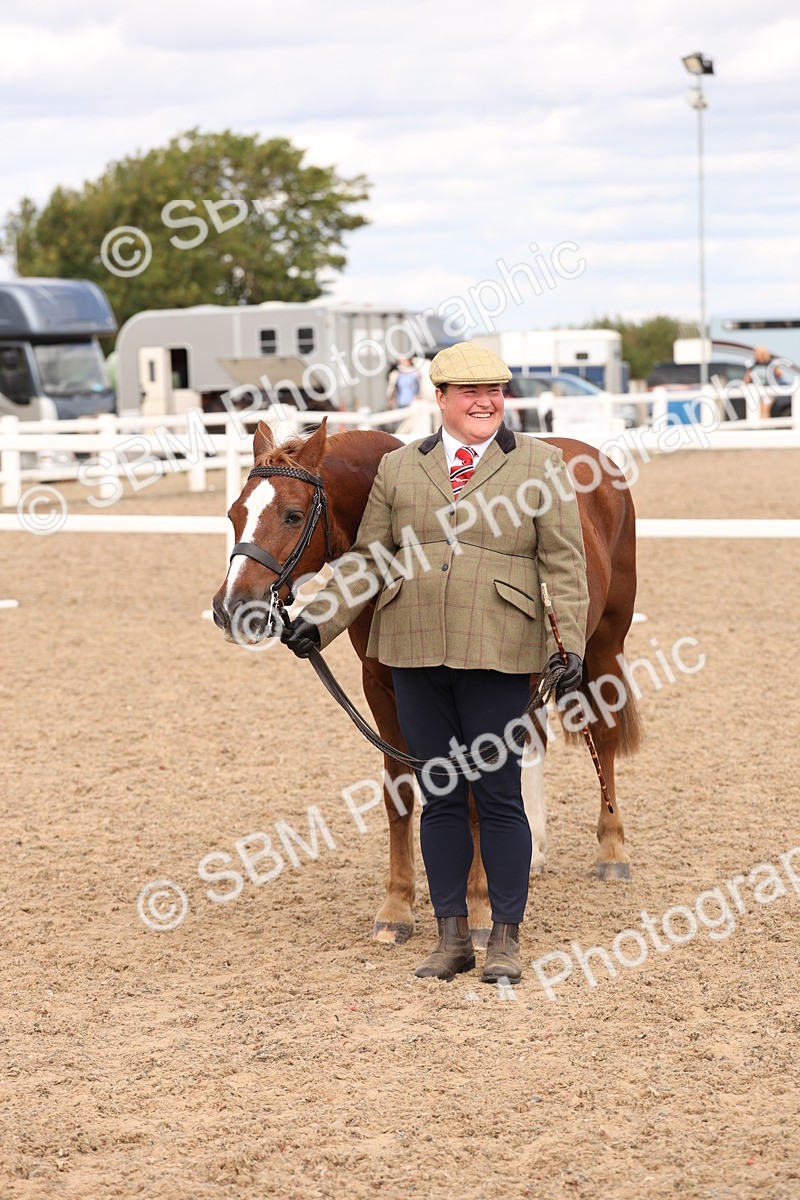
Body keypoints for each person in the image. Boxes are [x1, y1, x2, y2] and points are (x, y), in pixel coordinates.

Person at [281, 342, 589, 984]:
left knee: (499, 796)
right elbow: (370, 557)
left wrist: (572, 648)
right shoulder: (401, 469)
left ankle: (503, 937)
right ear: (441, 398)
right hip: (413, 646)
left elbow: (565, 563)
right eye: (469, 392)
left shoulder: (540, 464)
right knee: (441, 793)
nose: (484, 402)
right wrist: (323, 618)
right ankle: (451, 937)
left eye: (494, 392)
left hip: (499, 649)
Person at [744, 346, 784, 420]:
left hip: (768, 391)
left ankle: (765, 428)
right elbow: (746, 380)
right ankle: (759, 428)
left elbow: (780, 374)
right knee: (757, 410)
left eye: (759, 354)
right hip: (756, 391)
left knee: (765, 408)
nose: (757, 356)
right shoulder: (753, 366)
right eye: (756, 354)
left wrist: (775, 369)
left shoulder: (770, 364)